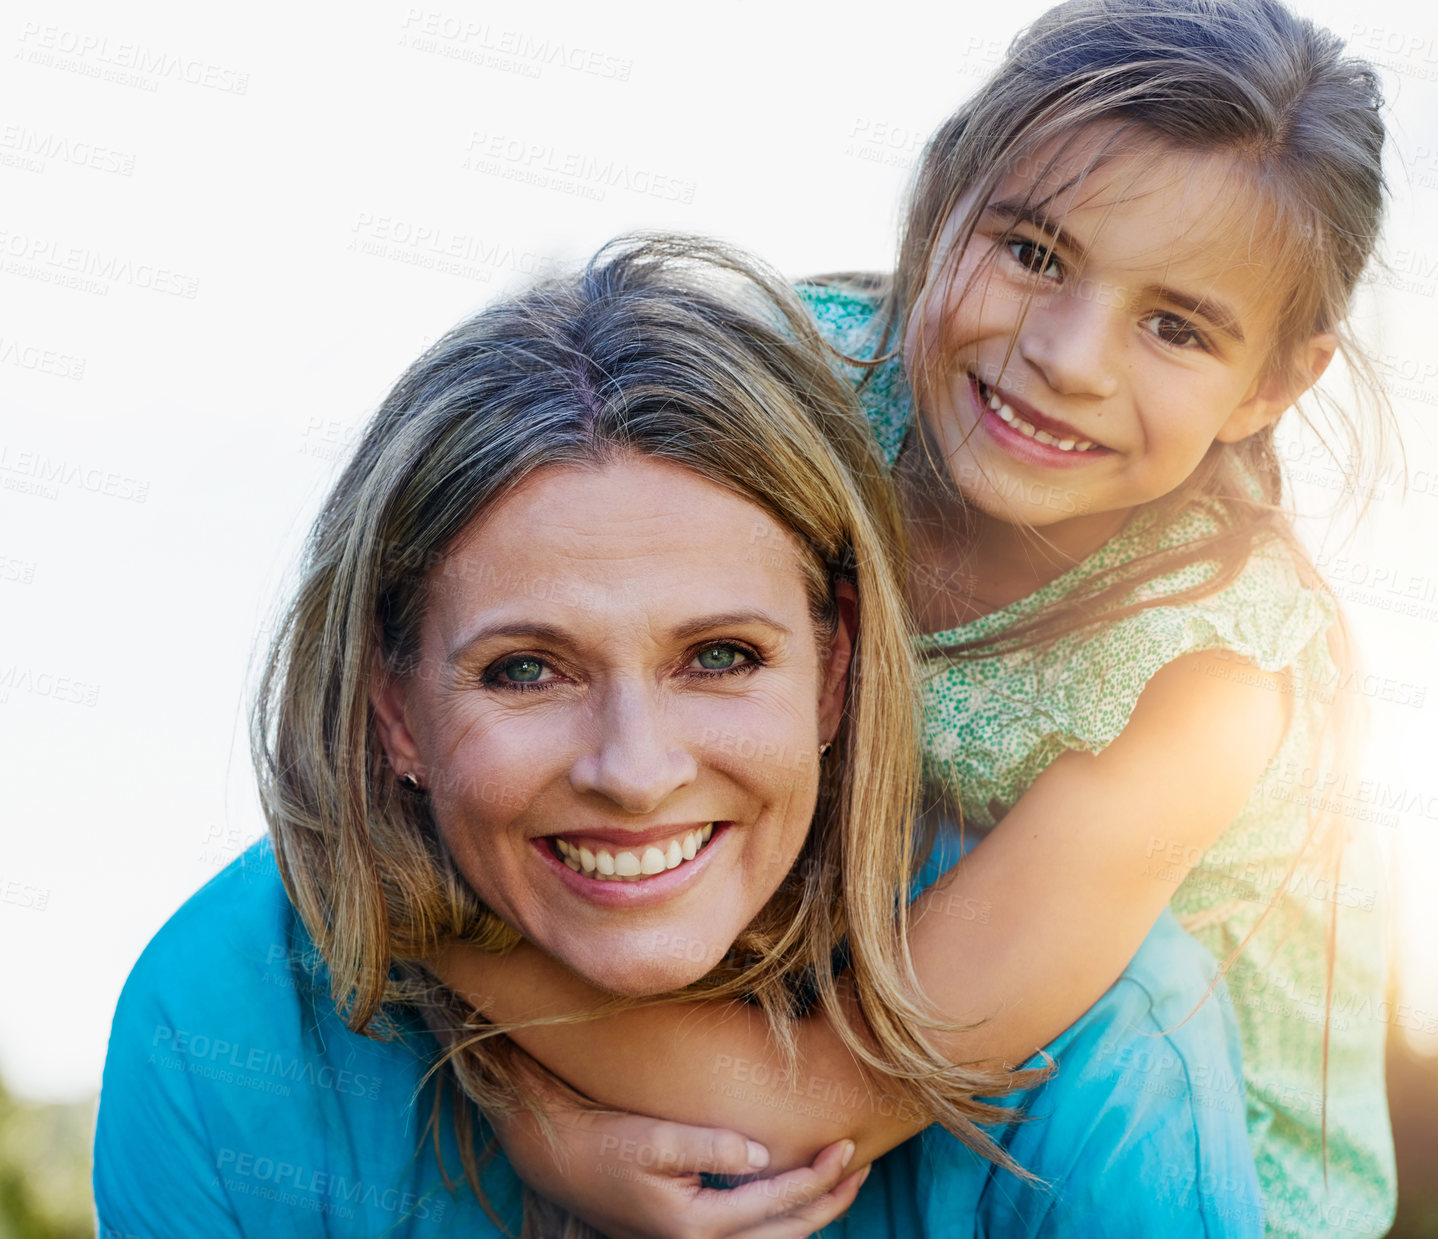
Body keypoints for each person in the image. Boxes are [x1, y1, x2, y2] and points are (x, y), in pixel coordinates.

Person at [432, 1, 1399, 1235]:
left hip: (1132, 1162)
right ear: (943, 202)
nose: (1067, 356)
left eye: (1174, 325)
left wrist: (480, 1015)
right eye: (1033, 253)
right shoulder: (794, 379)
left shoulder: (1210, 677)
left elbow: (820, 1098)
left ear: (1270, 381)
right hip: (836, 999)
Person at [91, 235, 1260, 1239]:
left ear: (834, 666)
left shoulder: (1106, 1057)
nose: (635, 771)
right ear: (393, 706)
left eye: (719, 658)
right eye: (526, 670)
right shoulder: (217, 1028)